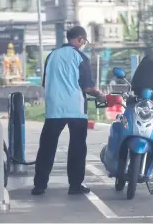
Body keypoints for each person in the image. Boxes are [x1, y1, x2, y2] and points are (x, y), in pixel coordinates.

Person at [31, 26, 106, 196]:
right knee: (77, 148)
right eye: (84, 41)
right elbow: (87, 87)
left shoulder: (51, 56)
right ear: (80, 39)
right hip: (76, 108)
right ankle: (75, 185)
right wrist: (100, 95)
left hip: (54, 108)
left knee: (47, 147)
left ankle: (39, 185)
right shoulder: (80, 57)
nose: (84, 44)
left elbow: (45, 82)